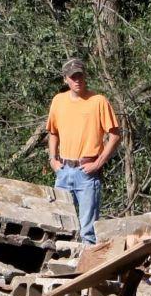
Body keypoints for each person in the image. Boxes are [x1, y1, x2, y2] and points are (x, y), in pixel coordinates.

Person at [46, 57, 120, 244]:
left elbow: (115, 135)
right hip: (63, 171)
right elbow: (53, 132)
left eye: (80, 76)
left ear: (85, 76)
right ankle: (59, 267)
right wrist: (53, 160)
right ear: (65, 79)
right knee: (60, 226)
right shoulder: (58, 101)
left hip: (87, 173)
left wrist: (98, 163)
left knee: (88, 230)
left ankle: (89, 271)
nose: (77, 80)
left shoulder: (98, 101)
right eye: (73, 77)